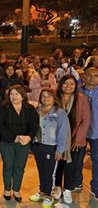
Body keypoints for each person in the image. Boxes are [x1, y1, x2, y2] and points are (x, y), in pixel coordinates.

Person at [0, 85, 39, 202]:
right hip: (7, 142)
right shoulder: (3, 108)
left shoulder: (30, 108)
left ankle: (16, 189)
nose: (14, 96)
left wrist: (29, 137)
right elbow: (0, 125)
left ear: (22, 95)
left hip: (24, 143)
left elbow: (34, 126)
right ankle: (7, 189)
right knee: (8, 166)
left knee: (19, 167)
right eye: (11, 94)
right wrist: (14, 138)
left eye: (16, 94)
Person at [29, 89, 70, 207]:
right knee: (41, 170)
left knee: (50, 172)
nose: (46, 98)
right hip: (37, 145)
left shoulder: (60, 112)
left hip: (51, 147)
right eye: (43, 96)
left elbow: (63, 132)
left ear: (54, 98)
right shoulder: (38, 110)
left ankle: (49, 195)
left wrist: (60, 150)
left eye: (49, 96)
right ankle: (42, 191)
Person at [53, 75, 91, 204]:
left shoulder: (81, 99)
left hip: (73, 139)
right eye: (65, 83)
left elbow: (86, 120)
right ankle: (57, 187)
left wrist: (78, 139)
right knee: (57, 164)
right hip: (56, 138)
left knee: (71, 165)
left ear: (76, 86)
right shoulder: (55, 97)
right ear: (60, 84)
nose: (68, 86)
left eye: (72, 84)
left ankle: (68, 189)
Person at [82, 67, 98, 198]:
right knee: (76, 160)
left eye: (96, 76)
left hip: (97, 132)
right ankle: (76, 183)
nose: (92, 78)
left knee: (97, 160)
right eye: (89, 75)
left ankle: (96, 187)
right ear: (84, 76)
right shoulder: (77, 91)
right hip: (80, 133)